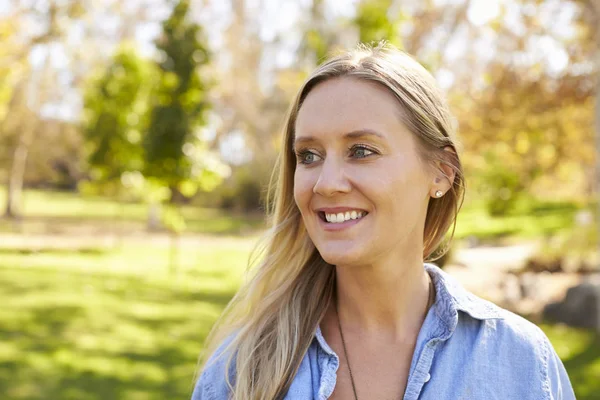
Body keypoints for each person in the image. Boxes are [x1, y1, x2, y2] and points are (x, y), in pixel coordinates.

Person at [192, 42, 575, 400]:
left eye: (361, 151)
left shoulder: (522, 363)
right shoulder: (239, 373)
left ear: (441, 171)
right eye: (308, 155)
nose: (326, 183)